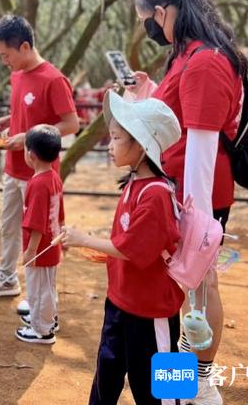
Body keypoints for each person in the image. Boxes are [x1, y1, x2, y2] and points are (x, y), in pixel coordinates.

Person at [131, 0, 247, 405]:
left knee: (201, 283)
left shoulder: (206, 61)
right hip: (179, 191)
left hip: (197, 196)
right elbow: (170, 117)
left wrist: (192, 218)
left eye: (150, 20)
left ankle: (200, 381)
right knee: (182, 286)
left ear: (163, 12)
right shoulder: (187, 55)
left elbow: (201, 143)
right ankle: (180, 383)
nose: (151, 29)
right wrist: (146, 92)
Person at [61, 91, 183, 404]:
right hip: (121, 299)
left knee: (164, 390)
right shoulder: (135, 184)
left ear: (141, 146)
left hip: (152, 308)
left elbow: (131, 248)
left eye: (116, 138)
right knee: (107, 375)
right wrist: (105, 249)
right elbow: (127, 243)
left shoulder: (156, 195)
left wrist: (83, 239)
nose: (110, 146)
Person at [0, 15, 79, 317]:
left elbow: (71, 124)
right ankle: (7, 279)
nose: (4, 61)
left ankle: (42, 299)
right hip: (13, 167)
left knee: (43, 233)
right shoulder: (17, 75)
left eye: (6, 55)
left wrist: (30, 137)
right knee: (8, 228)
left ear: (24, 46)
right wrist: (6, 121)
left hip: (41, 174)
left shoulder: (54, 79)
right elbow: (23, 110)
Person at [15, 124, 64, 344]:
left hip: (40, 250)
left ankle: (42, 330)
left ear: (31, 155)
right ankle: (48, 320)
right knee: (48, 288)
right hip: (52, 245)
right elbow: (59, 211)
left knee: (37, 291)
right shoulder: (53, 177)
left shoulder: (37, 184)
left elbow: (36, 223)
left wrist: (30, 252)